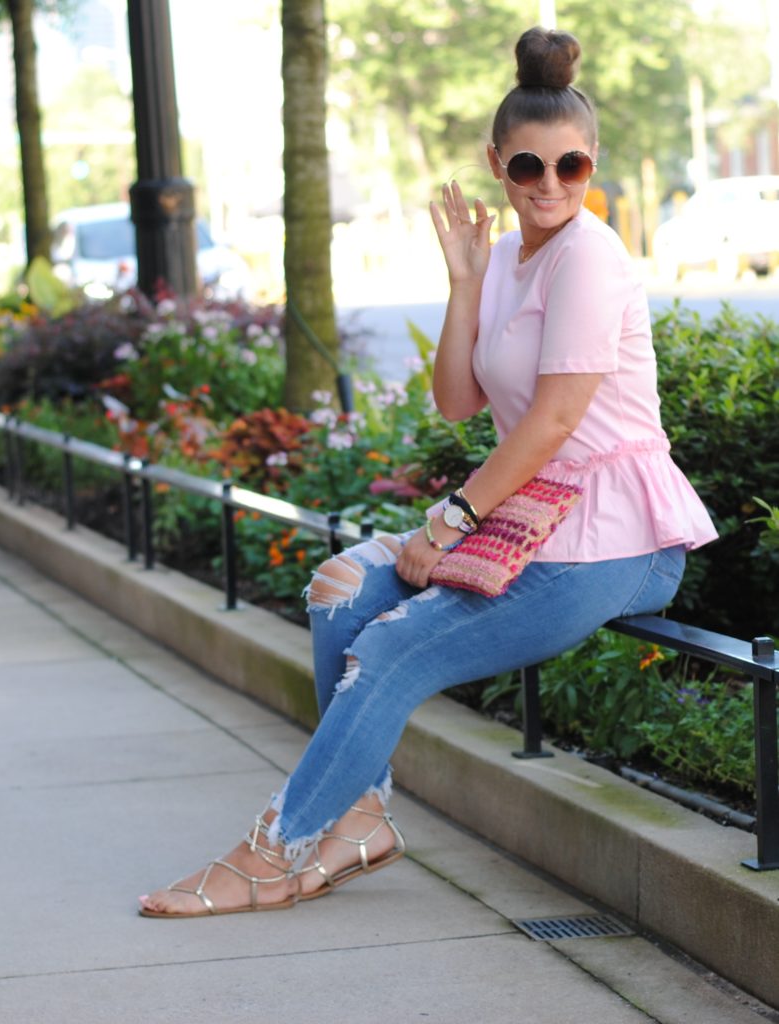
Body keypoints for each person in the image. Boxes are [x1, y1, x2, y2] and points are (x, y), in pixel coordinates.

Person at [139, 26, 717, 918]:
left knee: (391, 648)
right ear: (498, 163)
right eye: (530, 167)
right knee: (340, 590)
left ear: (592, 164)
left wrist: (448, 518)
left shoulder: (590, 257)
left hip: (615, 535)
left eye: (573, 167)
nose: (552, 186)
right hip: (531, 514)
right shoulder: (509, 259)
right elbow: (456, 401)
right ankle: (360, 819)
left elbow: (561, 420)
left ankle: (278, 848)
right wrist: (462, 282)